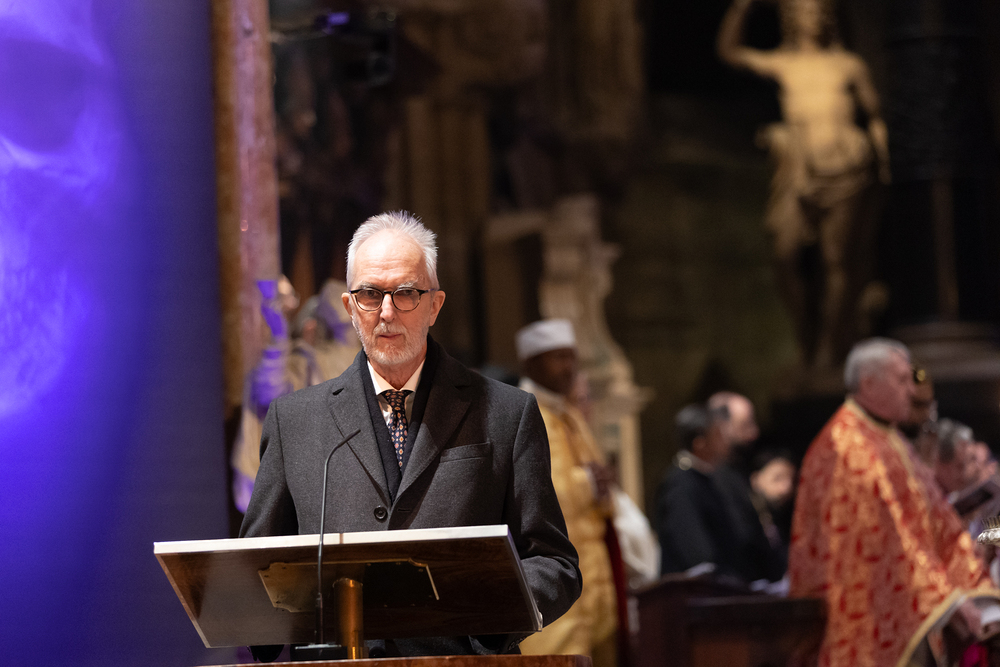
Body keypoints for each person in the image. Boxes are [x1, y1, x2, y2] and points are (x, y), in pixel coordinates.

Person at [240, 212, 581, 659]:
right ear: (349, 307)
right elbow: (256, 574)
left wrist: (487, 615)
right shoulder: (295, 422)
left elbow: (554, 563)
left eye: (405, 293)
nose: (386, 313)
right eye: (369, 294)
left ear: (435, 305)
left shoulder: (507, 414)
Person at [789, 337, 1000, 666]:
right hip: (866, 613)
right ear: (869, 383)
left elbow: (942, 522)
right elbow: (891, 540)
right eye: (902, 380)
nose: (911, 391)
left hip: (926, 601)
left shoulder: (889, 438)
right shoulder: (848, 447)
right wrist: (951, 599)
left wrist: (976, 589)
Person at [718, 0, 890, 367]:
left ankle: (829, 347)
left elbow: (874, 114)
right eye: (802, 12)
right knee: (784, 254)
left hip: (845, 166)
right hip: (798, 169)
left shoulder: (847, 65)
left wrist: (883, 155)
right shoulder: (785, 63)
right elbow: (730, 53)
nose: (809, 19)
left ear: (828, 17)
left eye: (815, 11)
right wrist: (741, 8)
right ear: (791, 19)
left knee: (836, 259)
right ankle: (806, 334)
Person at [514, 319, 618, 667]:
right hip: (549, 578)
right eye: (558, 357)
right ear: (531, 364)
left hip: (589, 581)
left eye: (571, 357)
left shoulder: (570, 416)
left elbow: (600, 483)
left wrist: (602, 485)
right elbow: (534, 496)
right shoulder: (520, 412)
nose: (568, 366)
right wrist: (588, 483)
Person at [655, 403, 752, 580]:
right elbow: (697, 554)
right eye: (718, 435)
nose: (725, 441)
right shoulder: (681, 486)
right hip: (694, 591)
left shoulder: (710, 477)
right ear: (699, 443)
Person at [708, 392, 787, 582]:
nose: (754, 433)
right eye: (745, 425)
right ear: (720, 427)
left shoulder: (740, 470)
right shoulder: (712, 477)